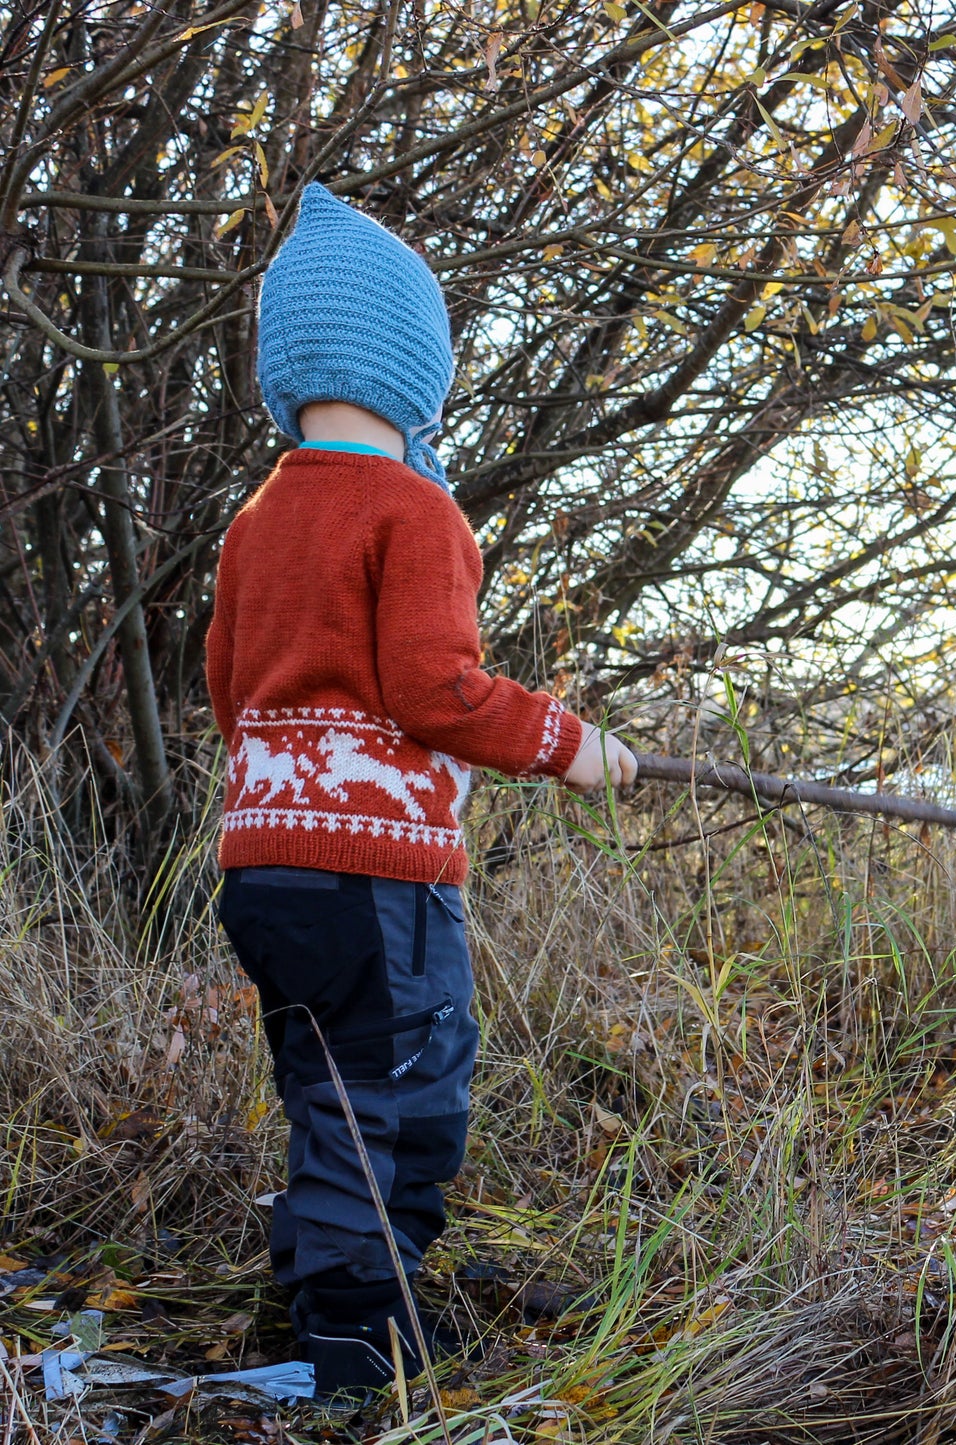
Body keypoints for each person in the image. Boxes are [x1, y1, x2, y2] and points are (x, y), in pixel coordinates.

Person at [205, 183, 637, 1401]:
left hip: (265, 862)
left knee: (323, 1082)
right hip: (375, 871)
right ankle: (353, 1344)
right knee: (404, 1091)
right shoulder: (415, 509)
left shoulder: (257, 519)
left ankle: (323, 1294)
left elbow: (227, 687)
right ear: (415, 368)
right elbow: (438, 689)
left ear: (288, 365)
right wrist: (566, 743)